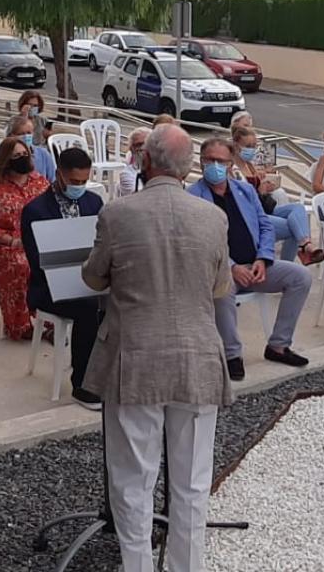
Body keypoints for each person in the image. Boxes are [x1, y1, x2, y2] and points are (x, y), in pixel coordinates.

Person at [81, 125, 232, 572]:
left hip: (136, 360)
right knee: (191, 482)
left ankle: (138, 567)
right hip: (198, 357)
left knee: (133, 480)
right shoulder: (212, 217)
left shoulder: (117, 214)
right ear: (190, 168)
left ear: (146, 161)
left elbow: (94, 277)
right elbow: (221, 286)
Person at [189, 136, 312, 381]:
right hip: (221, 270)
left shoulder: (245, 191)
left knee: (301, 277)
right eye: (210, 160)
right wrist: (232, 267)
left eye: (221, 161)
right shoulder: (192, 196)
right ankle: (232, 354)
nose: (216, 165)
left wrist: (263, 258)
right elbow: (199, 242)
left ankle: (278, 345)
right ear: (201, 162)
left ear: (231, 164)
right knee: (222, 292)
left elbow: (265, 226)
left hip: (256, 264)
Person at [23, 148, 105, 409]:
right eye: (73, 181)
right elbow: (38, 263)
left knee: (117, 304)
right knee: (89, 310)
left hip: (89, 280)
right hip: (48, 288)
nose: (78, 187)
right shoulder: (35, 210)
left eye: (83, 181)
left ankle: (107, 372)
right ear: (59, 175)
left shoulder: (94, 203)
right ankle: (83, 383)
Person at [0, 137, 50, 340]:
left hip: (38, 242)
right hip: (5, 246)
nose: (22, 158)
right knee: (21, 266)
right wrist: (11, 241)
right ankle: (20, 324)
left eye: (24, 154)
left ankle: (49, 319)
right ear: (6, 160)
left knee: (54, 265)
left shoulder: (40, 183)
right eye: (16, 156)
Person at [232, 127, 324, 265]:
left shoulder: (248, 164)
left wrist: (264, 183)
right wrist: (261, 191)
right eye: (248, 146)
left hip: (262, 208)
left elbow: (256, 193)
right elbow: (241, 201)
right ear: (236, 145)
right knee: (293, 228)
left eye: (254, 146)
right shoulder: (234, 169)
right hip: (249, 216)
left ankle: (305, 245)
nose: (251, 150)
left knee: (298, 209)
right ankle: (291, 261)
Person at [7, 115, 56, 182]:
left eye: (29, 133)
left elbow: (52, 179)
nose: (26, 136)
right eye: (21, 134)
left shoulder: (43, 154)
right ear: (11, 135)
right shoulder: (5, 155)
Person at [119, 126, 150, 197]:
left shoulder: (161, 169)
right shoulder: (127, 173)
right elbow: (138, 197)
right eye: (139, 145)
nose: (143, 148)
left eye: (147, 143)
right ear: (131, 149)